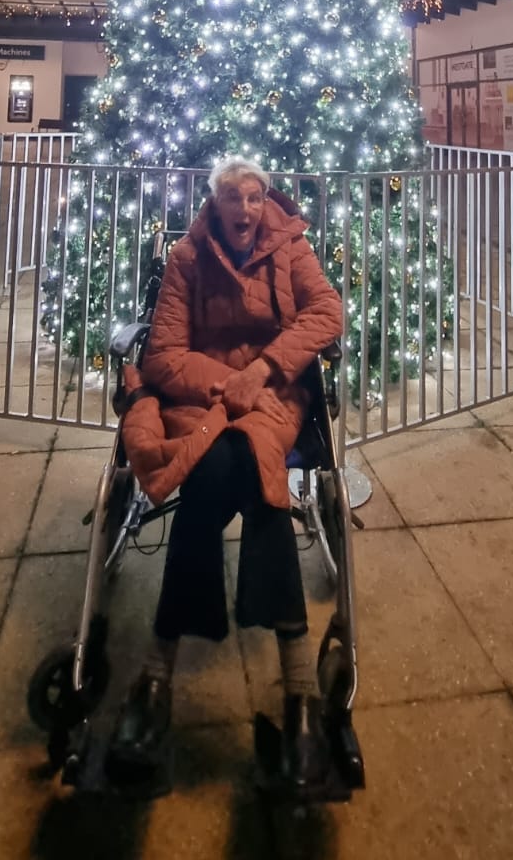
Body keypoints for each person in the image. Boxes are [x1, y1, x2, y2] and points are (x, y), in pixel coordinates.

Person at [106, 154, 343, 794]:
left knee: (229, 477)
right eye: (233, 196)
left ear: (267, 202)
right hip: (203, 403)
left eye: (255, 196)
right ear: (215, 202)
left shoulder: (290, 248)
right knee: (243, 481)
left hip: (272, 400)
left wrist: (260, 373)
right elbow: (164, 355)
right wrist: (227, 385)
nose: (245, 208)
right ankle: (297, 694)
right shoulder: (188, 258)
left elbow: (327, 312)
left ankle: (157, 674)